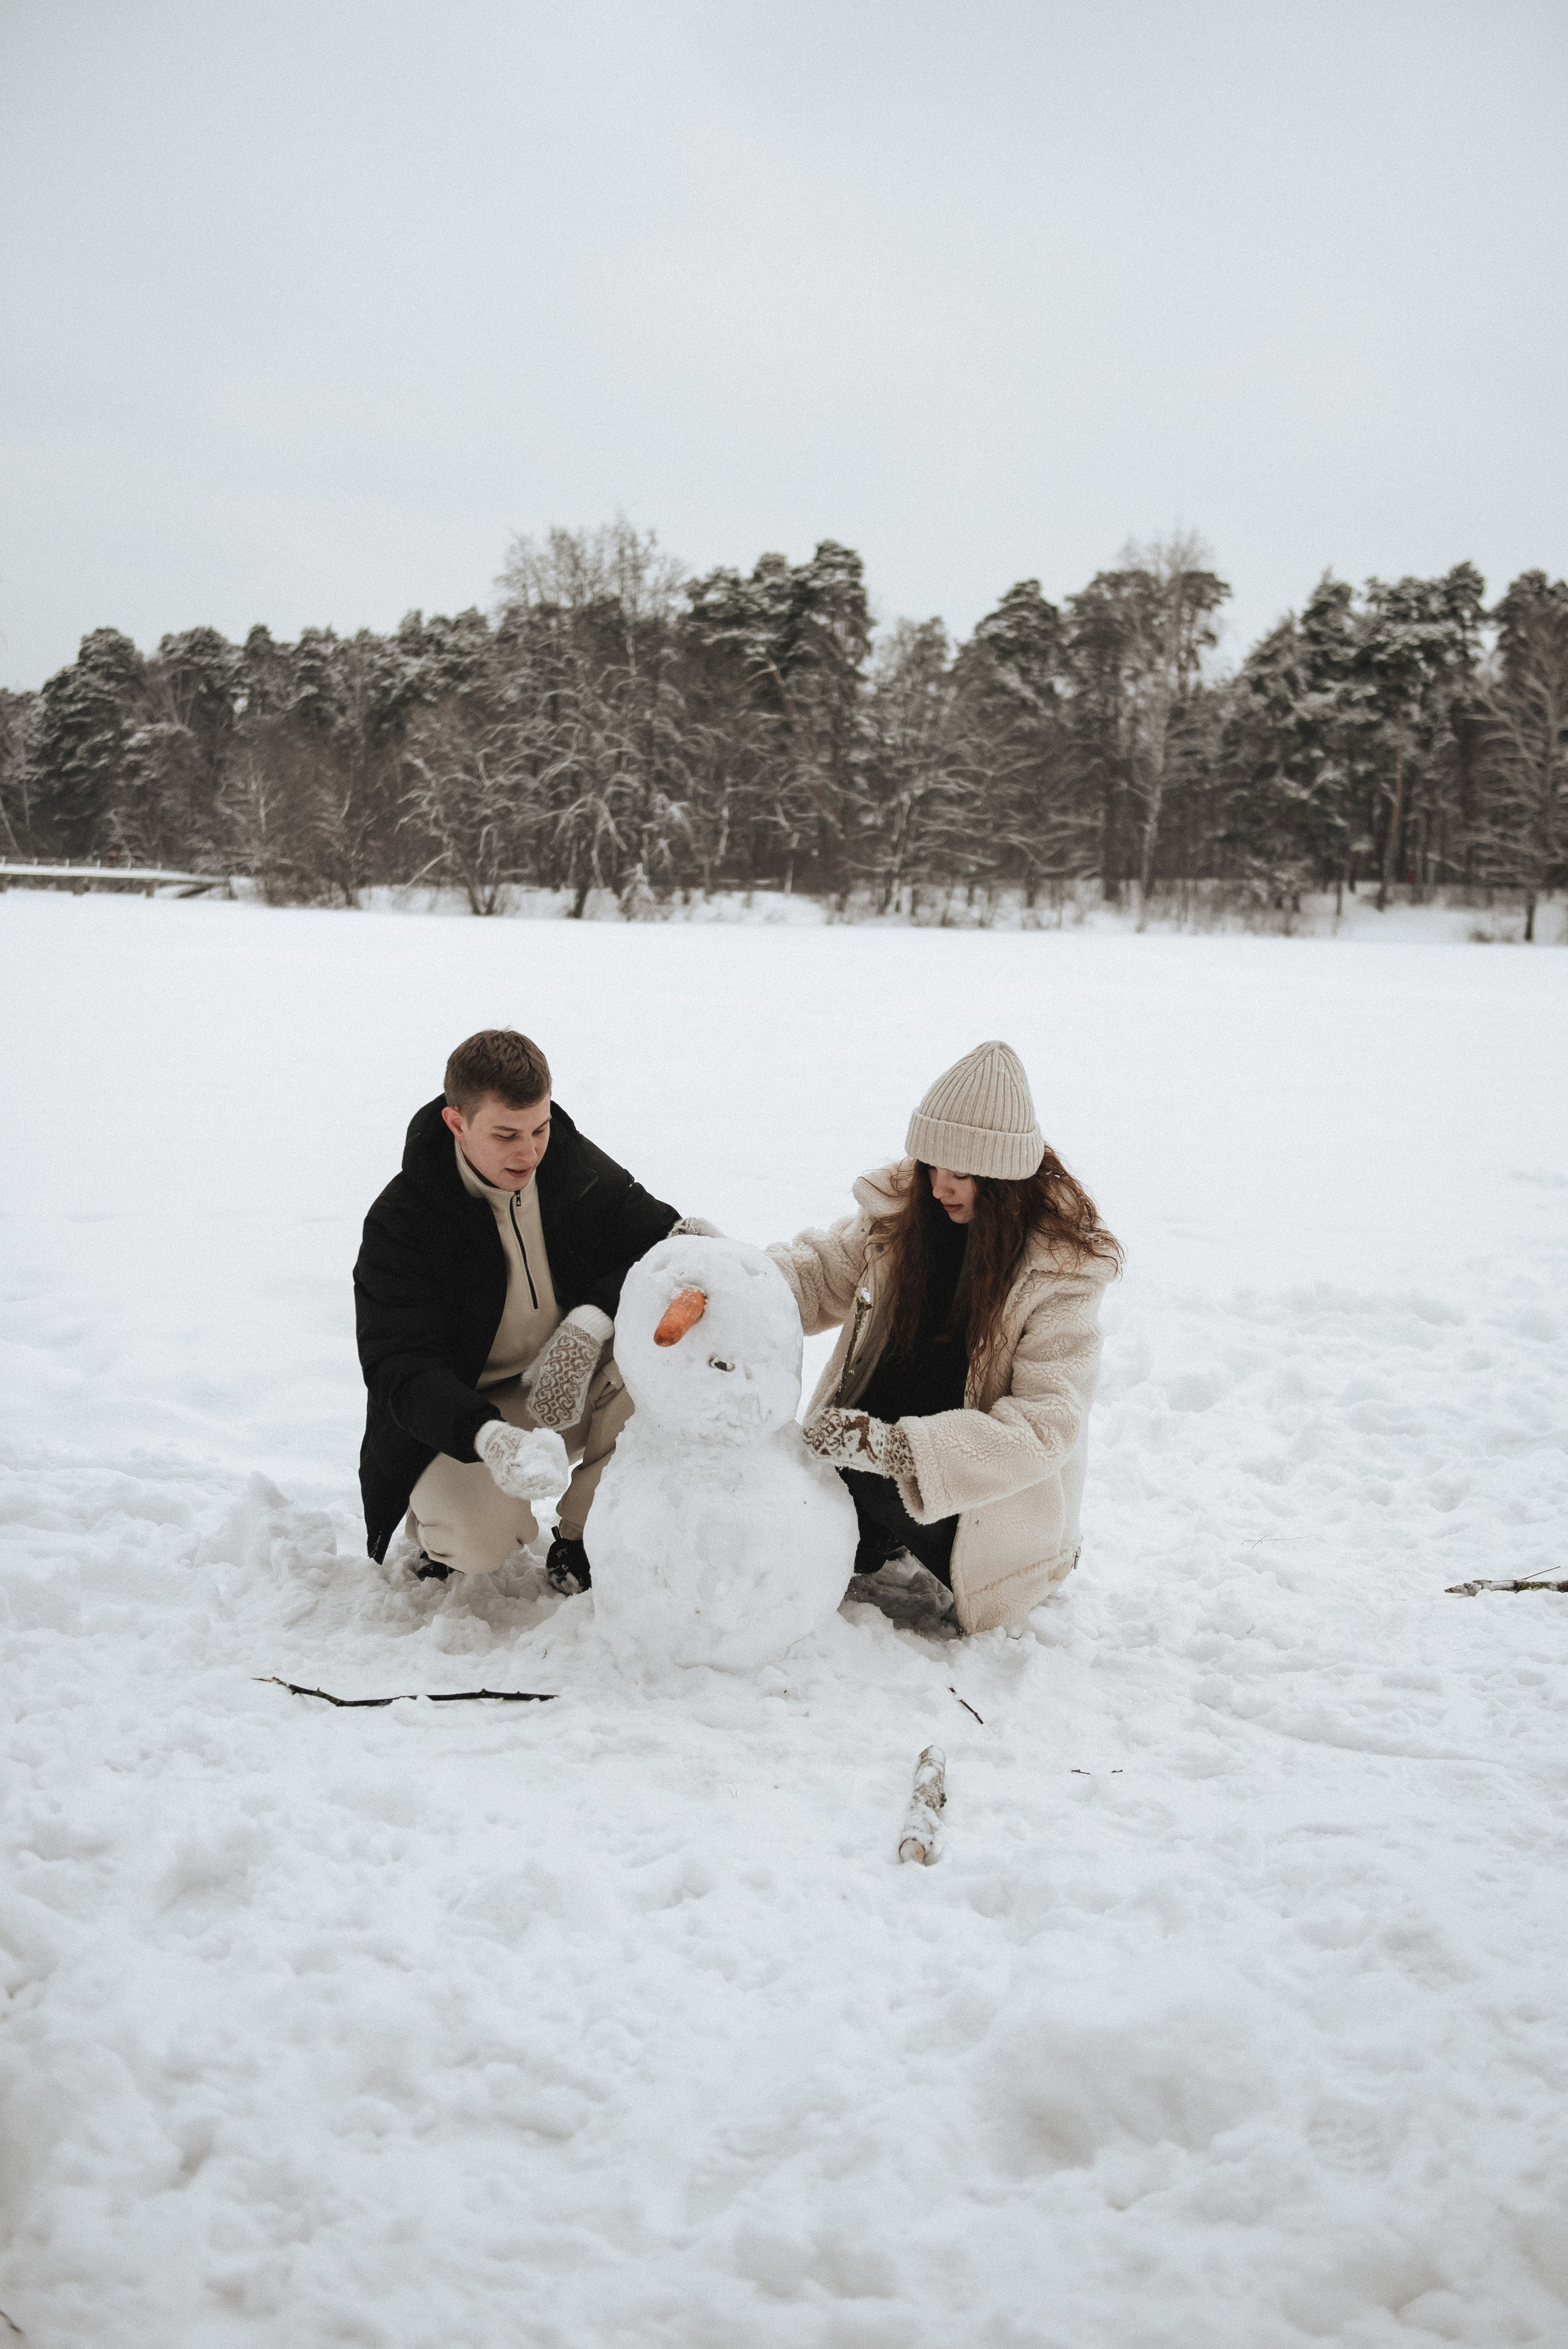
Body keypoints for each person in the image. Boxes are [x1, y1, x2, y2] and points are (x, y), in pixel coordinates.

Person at [767, 1041, 1121, 1635]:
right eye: (931, 1166)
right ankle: (861, 1531)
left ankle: (876, 1512)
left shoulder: (1060, 1271)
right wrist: (729, 1278)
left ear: (1004, 1180)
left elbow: (1045, 1425)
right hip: (878, 1453)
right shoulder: (907, 1215)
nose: (939, 1186)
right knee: (797, 1482)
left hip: (984, 1510)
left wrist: (895, 1451)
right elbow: (817, 1273)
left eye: (960, 1174)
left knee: (858, 1476)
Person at [355, 1027, 702, 1592]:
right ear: (457, 1123)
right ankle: (445, 1517)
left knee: (671, 1362)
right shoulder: (402, 1222)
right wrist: (486, 1436)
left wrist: (590, 1321)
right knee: (477, 1541)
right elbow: (400, 1368)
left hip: (566, 1380)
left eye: (539, 1128)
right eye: (507, 1134)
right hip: (466, 1414)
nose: (530, 1151)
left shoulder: (568, 1160)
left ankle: (584, 1534)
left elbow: (666, 1244)